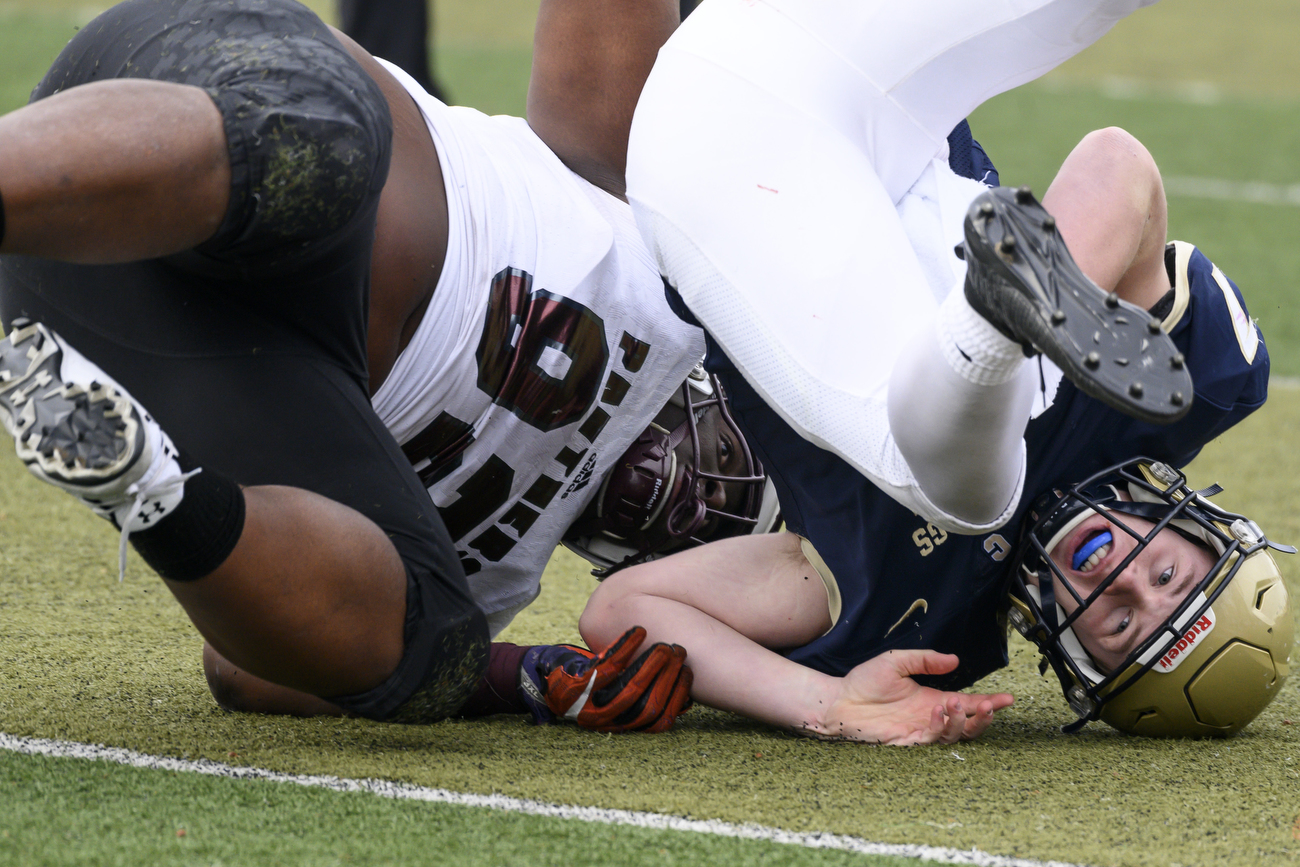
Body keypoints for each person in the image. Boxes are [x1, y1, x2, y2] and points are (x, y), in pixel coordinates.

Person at [577, 0, 1289, 743]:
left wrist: (826, 702)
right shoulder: (1176, 395)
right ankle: (1008, 332)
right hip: (841, 66)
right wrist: (1051, 344)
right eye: (1168, 576)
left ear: (1077, 658)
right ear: (1198, 529)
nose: (1125, 580)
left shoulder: (914, 617)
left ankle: (990, 336)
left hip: (714, 177)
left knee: (969, 495)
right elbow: (1117, 165)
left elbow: (620, 609)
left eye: (1120, 623)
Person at [0, 0, 715, 733]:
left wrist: (518, 673)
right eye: (731, 474)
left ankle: (146, 483)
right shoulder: (653, 216)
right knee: (324, 149)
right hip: (201, 122)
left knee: (435, 649)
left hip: (142, 333)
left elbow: (251, 670)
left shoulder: (494, 579)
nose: (703, 515)